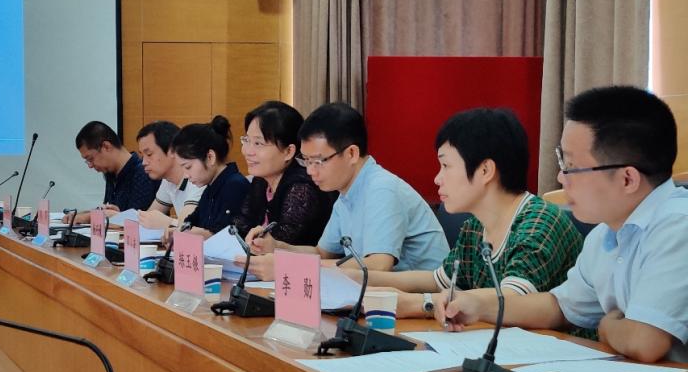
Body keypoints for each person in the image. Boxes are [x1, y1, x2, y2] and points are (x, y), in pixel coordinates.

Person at [440, 86, 688, 363]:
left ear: (627, 179)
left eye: (571, 166)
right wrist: (479, 305)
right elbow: (560, 306)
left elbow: (645, 342)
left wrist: (606, 326)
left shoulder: (678, 227)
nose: (561, 177)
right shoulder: (605, 235)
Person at [359, 108, 583, 319]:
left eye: (445, 166)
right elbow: (438, 281)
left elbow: (511, 300)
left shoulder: (539, 223)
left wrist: (416, 303)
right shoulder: (475, 226)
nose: (437, 178)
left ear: (485, 170)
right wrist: (360, 278)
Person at [249, 103, 448, 279]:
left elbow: (378, 266)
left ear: (351, 153)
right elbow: (322, 253)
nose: (310, 171)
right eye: (306, 161)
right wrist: (277, 247)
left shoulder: (381, 189)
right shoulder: (346, 193)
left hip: (425, 299)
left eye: (318, 161)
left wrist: (292, 267)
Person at [233, 101, 334, 247]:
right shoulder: (261, 181)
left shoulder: (302, 188)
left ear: (288, 152)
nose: (247, 151)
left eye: (258, 143)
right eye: (247, 140)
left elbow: (278, 244)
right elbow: (239, 227)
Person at [173, 116, 250, 236]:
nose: (186, 176)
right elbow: (192, 220)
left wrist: (191, 233)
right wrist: (177, 231)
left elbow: (229, 236)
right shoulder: (210, 187)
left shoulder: (235, 186)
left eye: (188, 167)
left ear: (210, 157)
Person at [71, 121, 159, 224]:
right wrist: (81, 215)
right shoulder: (110, 172)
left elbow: (137, 222)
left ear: (106, 146)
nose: (90, 166)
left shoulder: (143, 173)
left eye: (90, 159)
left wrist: (88, 217)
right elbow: (113, 214)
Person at [135, 120, 204, 229]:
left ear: (172, 150)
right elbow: (148, 218)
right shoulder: (167, 180)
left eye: (149, 154)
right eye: (142, 156)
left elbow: (188, 228)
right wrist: (119, 217)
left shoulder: (197, 178)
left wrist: (168, 222)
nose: (143, 162)